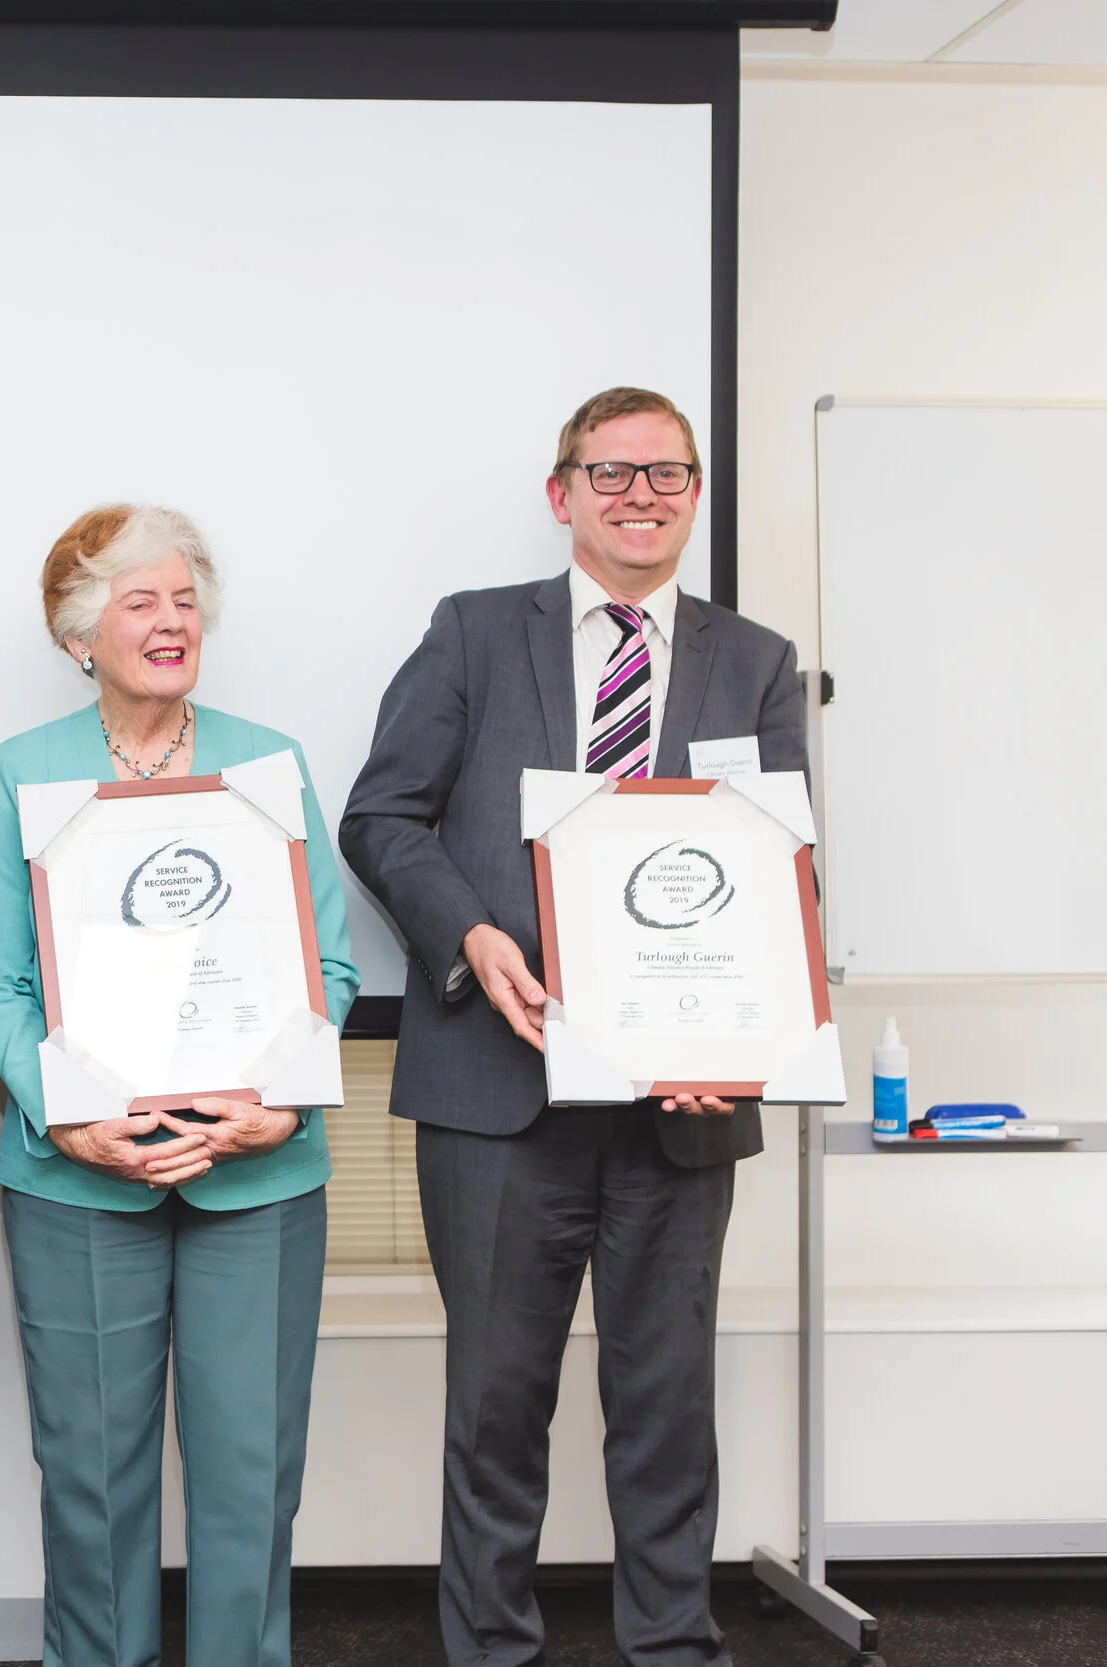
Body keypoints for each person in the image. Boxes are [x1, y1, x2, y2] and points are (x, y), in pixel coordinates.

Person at [340, 387, 804, 1667]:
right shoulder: (475, 635)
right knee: (495, 1403)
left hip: (683, 1103)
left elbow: (776, 870)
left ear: (694, 494)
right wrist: (468, 935)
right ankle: (490, 1649)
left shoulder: (755, 659)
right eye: (612, 472)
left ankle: (673, 1648)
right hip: (499, 1090)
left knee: (664, 1404)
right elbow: (381, 817)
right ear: (563, 493)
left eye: (666, 473)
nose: (640, 494)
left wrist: (741, 1041)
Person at [0, 504, 359, 1667]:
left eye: (185, 599)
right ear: (79, 632)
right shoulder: (22, 772)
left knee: (250, 1471)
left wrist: (280, 1102)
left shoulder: (268, 760)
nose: (171, 619)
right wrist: (74, 1116)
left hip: (261, 1170)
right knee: (91, 1478)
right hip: (80, 1179)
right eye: (141, 600)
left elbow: (324, 961)